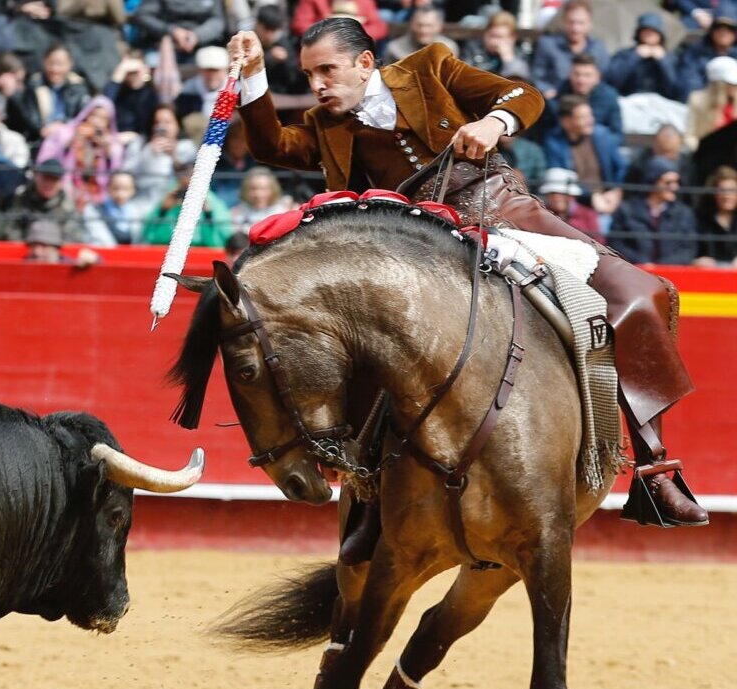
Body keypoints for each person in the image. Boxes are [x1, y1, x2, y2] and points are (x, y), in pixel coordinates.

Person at [226, 16, 706, 524]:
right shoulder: (327, 126)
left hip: (501, 212)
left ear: (366, 62)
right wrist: (254, 72)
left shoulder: (430, 67)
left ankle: (655, 472)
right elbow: (271, 146)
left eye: (327, 69)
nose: (317, 85)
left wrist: (493, 122)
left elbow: (523, 94)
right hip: (418, 248)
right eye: (307, 75)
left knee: (638, 293)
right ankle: (369, 492)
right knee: (367, 342)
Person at [608, 157, 697, 266]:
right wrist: (642, 263)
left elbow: (688, 250)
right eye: (668, 182)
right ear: (652, 182)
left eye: (676, 182)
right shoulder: (626, 210)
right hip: (634, 272)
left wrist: (661, 266)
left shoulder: (683, 213)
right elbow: (616, 244)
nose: (674, 187)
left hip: (673, 274)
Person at [36, 94, 123, 200]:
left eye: (103, 118)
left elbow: (114, 175)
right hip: (65, 189)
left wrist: (107, 152)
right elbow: (48, 161)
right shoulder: (65, 133)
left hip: (96, 195)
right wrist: (71, 143)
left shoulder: (112, 146)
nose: (96, 122)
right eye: (94, 115)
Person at [139, 156, 233, 247]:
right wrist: (163, 211)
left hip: (202, 251)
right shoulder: (169, 198)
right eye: (184, 175)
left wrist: (208, 214)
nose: (188, 180)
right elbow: (149, 237)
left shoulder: (213, 202)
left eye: (192, 175)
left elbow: (222, 240)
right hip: (167, 250)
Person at [6, 43, 90, 144]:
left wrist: (63, 126)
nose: (55, 69)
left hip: (71, 137)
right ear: (44, 62)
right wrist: (44, 129)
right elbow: (31, 117)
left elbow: (82, 115)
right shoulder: (35, 84)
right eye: (51, 63)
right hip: (42, 138)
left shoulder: (78, 86)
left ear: (69, 64)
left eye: (60, 64)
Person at [542, 94, 625, 188]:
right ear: (565, 122)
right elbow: (560, 179)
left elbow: (621, 167)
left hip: (607, 195)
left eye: (590, 116)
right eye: (582, 117)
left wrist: (616, 190)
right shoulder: (554, 143)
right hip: (574, 197)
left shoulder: (602, 135)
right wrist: (591, 196)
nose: (590, 121)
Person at [531, 0, 608, 99]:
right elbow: (538, 76)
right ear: (564, 22)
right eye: (571, 22)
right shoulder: (548, 45)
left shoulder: (598, 48)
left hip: (589, 102)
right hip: (557, 101)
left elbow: (605, 78)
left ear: (589, 24)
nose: (575, 28)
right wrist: (547, 91)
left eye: (580, 23)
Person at [0, 157, 85, 242]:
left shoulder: (68, 207)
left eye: (54, 179)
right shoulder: (21, 200)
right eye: (45, 178)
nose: (48, 183)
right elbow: (11, 230)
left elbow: (73, 238)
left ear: (60, 183)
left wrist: (50, 250)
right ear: (36, 177)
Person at [605, 12, 683, 101]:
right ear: (638, 33)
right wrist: (635, 56)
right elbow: (613, 81)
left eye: (653, 31)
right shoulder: (625, 54)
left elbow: (676, 88)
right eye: (645, 30)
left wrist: (663, 61)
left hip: (661, 104)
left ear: (660, 35)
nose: (649, 34)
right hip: (630, 101)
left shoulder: (671, 58)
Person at [124, 102, 195, 200]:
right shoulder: (139, 144)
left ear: (177, 125)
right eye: (157, 122)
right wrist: (149, 153)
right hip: (141, 201)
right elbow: (126, 173)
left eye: (167, 122)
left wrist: (174, 158)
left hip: (172, 204)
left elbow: (192, 179)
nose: (162, 127)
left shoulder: (187, 147)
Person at [544, 52, 621, 141]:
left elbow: (616, 134)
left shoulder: (609, 97)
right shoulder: (560, 94)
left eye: (587, 75)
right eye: (576, 74)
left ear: (598, 77)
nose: (581, 80)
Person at [132, 0, 226, 61]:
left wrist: (197, 36)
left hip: (203, 43)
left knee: (215, 62)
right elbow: (143, 15)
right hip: (165, 43)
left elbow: (217, 20)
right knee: (152, 61)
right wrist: (172, 31)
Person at [81, 168, 148, 244]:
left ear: (133, 190)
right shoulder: (94, 210)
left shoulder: (140, 212)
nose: (120, 193)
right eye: (116, 188)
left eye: (125, 188)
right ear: (108, 188)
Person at [538, 165, 603, 242]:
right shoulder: (542, 214)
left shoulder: (588, 215)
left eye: (561, 193)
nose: (557, 197)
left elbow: (599, 242)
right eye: (553, 193)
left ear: (572, 196)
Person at [459, 10, 530, 81]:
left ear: (512, 38)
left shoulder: (520, 53)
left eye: (500, 37)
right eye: (492, 36)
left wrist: (509, 59)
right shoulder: (473, 49)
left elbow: (520, 81)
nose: (495, 42)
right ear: (485, 34)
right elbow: (463, 76)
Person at [685, 55, 737, 149]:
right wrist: (703, 150)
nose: (735, 87)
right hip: (708, 154)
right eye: (731, 84)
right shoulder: (698, 101)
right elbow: (690, 135)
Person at [678, 14, 736, 98]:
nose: (723, 33)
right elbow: (689, 80)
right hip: (702, 101)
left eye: (729, 30)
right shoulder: (696, 52)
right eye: (719, 29)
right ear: (712, 32)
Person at [102, 53, 157, 138]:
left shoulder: (150, 94)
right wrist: (118, 75)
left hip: (140, 141)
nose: (132, 76)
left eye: (135, 71)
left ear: (146, 69)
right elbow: (103, 106)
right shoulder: (118, 92)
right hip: (115, 140)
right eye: (129, 72)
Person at [382, 4, 458, 64]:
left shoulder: (449, 48)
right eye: (419, 25)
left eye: (429, 26)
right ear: (411, 24)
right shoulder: (395, 49)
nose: (423, 30)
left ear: (439, 26)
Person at [695, 163, 737, 265]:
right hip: (708, 274)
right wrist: (698, 261)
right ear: (714, 194)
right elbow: (692, 250)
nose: (727, 196)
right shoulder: (701, 219)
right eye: (722, 190)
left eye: (732, 190)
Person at [290, 0, 386, 44]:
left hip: (356, 47)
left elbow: (379, 28)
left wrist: (352, 32)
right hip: (322, 46)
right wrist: (332, 31)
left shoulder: (365, 2)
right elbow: (299, 25)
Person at [230, 165, 291, 232]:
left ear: (273, 189)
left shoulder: (284, 211)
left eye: (263, 189)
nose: (258, 195)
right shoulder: (237, 213)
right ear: (246, 190)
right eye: (253, 189)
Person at [176, 45, 229, 122]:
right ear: (200, 70)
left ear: (225, 70)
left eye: (216, 70)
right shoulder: (188, 93)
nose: (211, 75)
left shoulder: (237, 93)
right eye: (207, 70)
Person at [22, 216, 99, 266]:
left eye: (44, 246)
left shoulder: (68, 267)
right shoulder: (22, 264)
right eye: (33, 245)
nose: (37, 252)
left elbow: (98, 264)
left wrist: (92, 260)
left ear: (56, 250)